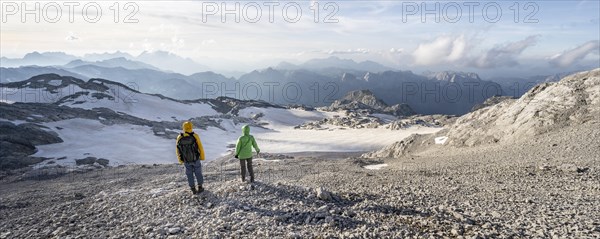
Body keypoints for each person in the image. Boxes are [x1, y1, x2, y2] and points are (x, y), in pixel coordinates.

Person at [176, 121, 205, 194]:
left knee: (189, 174)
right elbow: (200, 147)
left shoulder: (180, 137)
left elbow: (178, 150)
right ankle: (200, 186)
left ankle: (193, 188)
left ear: (183, 128)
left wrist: (180, 160)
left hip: (186, 160)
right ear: (191, 127)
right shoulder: (195, 136)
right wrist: (202, 157)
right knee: (198, 172)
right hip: (196, 159)